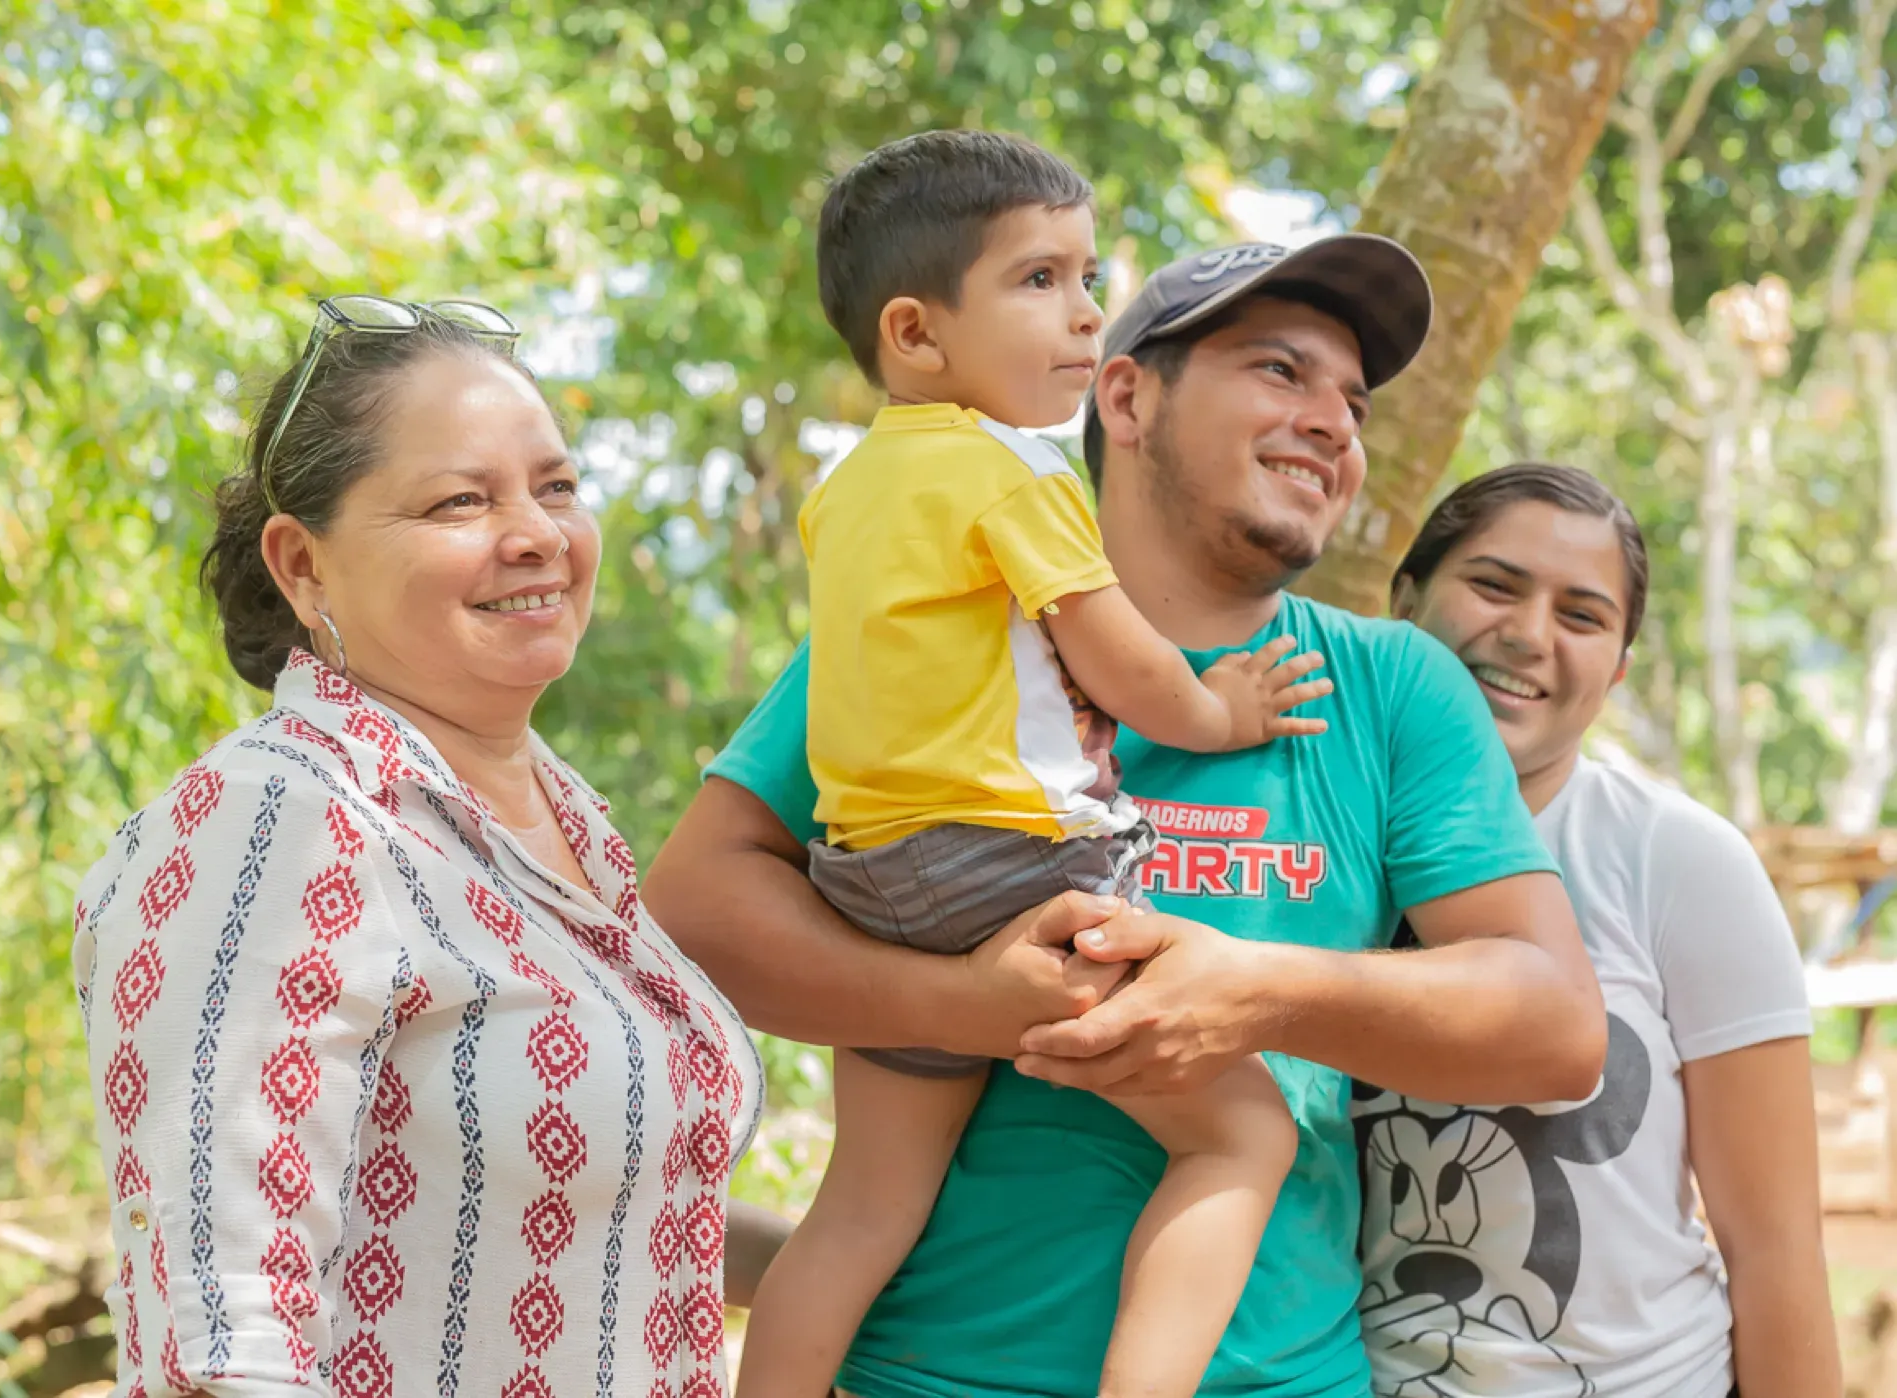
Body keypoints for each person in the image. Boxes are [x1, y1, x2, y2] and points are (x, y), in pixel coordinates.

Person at [647, 237, 1609, 1397]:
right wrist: (969, 1005)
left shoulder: (1392, 686)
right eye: (1279, 370)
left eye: (1350, 401)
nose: (1333, 423)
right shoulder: (939, 623)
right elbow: (690, 917)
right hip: (926, 1374)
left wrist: (1251, 990)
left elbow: (1556, 1027)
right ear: (1128, 394)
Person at [72, 299, 781, 1398]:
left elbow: (580, 1201)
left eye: (556, 487)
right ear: (303, 566)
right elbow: (220, 1341)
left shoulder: (558, 824)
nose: (539, 532)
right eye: (461, 500)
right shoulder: (279, 823)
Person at [738, 131, 1328, 1398]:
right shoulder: (1015, 466)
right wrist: (1220, 714)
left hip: (871, 875)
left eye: (1089, 273)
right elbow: (1119, 661)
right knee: (1241, 1137)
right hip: (1010, 862)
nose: (1087, 311)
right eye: (1040, 280)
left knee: (863, 1208)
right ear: (916, 333)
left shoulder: (847, 491)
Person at [1362, 462, 1840, 1398]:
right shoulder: (1317, 840)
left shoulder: (1679, 859)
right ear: (1403, 600)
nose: (1528, 634)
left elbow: (1775, 1244)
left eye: (1581, 616)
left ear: (1616, 667)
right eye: (1492, 585)